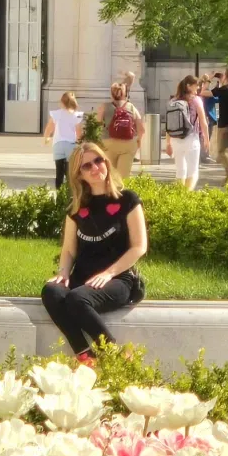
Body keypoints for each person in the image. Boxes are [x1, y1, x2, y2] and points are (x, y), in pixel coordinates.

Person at [41, 143, 147, 358]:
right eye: (86, 166)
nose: (95, 167)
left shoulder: (128, 200)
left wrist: (108, 273)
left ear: (106, 162)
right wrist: (63, 272)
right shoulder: (77, 207)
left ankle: (115, 355)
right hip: (83, 279)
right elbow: (69, 250)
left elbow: (139, 247)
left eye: (98, 160)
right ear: (79, 175)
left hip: (118, 279)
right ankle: (85, 356)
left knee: (78, 299)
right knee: (51, 291)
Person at [162, 74, 209, 189]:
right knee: (193, 171)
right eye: (196, 86)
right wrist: (207, 139)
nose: (197, 88)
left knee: (180, 170)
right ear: (189, 86)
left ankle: (179, 195)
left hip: (175, 139)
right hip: (191, 138)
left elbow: (169, 123)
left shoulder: (173, 101)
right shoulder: (196, 100)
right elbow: (203, 121)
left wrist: (168, 143)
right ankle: (186, 196)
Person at [99, 73, 143, 182]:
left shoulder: (104, 107)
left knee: (110, 174)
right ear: (125, 95)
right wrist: (138, 142)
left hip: (109, 143)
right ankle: (121, 195)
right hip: (128, 144)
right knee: (123, 177)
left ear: (111, 94)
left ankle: (111, 195)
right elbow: (142, 128)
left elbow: (97, 125)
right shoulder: (131, 107)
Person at [42, 91, 83, 191]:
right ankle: (70, 193)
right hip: (71, 146)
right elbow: (79, 133)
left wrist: (46, 138)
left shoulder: (56, 114)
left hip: (58, 145)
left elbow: (49, 128)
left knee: (59, 172)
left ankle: (59, 193)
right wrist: (80, 144)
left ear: (62, 101)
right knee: (70, 172)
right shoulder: (77, 115)